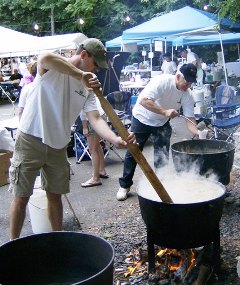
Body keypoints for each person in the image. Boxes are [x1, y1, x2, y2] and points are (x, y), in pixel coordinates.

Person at [9, 37, 135, 239]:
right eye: (95, 64)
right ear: (84, 54)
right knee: (21, 196)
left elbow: (95, 119)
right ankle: (12, 246)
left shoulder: (89, 88)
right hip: (30, 138)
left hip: (58, 145)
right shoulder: (56, 67)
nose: (96, 71)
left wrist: (115, 139)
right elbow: (44, 58)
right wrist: (81, 74)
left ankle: (58, 242)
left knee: (55, 196)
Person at [117, 63, 199, 201]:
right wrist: (165, 111)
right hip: (142, 118)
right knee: (134, 151)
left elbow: (189, 118)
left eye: (191, 82)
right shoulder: (162, 82)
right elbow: (143, 101)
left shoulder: (187, 94)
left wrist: (198, 133)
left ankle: (160, 184)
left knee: (162, 153)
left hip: (162, 122)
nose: (189, 85)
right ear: (178, 76)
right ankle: (124, 185)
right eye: (187, 81)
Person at [80, 97, 109, 188]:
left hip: (92, 117)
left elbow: (82, 111)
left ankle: (95, 178)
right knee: (96, 145)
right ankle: (101, 170)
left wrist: (84, 127)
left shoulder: (77, 89)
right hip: (100, 114)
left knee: (93, 148)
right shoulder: (86, 86)